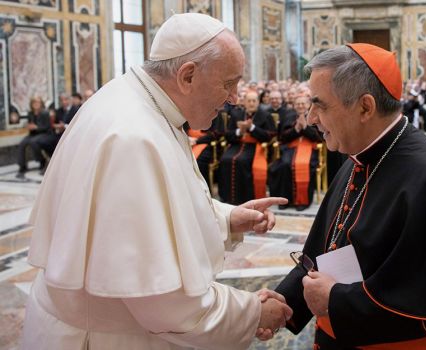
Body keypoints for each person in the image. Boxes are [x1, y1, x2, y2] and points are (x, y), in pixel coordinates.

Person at [22, 13, 292, 350]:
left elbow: (159, 206)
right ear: (188, 75)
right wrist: (252, 312)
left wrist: (226, 219)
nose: (234, 98)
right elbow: (165, 303)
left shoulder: (139, 103)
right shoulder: (133, 136)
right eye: (228, 83)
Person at [265, 44, 426, 349]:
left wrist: (336, 299)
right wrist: (283, 301)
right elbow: (328, 250)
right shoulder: (358, 156)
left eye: (320, 105)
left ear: (365, 107)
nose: (311, 117)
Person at [218, 91, 275, 204]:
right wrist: (240, 131)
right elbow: (228, 135)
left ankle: (244, 197)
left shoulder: (265, 115)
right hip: (237, 144)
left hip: (255, 146)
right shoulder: (236, 114)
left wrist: (252, 128)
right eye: (249, 101)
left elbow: (270, 136)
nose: (251, 103)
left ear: (258, 102)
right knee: (225, 160)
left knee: (241, 161)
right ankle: (227, 197)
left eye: (254, 101)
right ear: (244, 102)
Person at [269, 94, 322, 211]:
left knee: (304, 165)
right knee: (284, 165)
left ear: (309, 105)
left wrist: (305, 128)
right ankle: (285, 200)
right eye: (298, 104)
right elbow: (282, 137)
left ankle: (302, 201)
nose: (301, 106)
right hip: (290, 149)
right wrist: (296, 129)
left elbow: (319, 138)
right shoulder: (288, 116)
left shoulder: (316, 116)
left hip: (309, 149)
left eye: (303, 103)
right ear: (294, 106)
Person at [16, 96, 52, 178]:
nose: (36, 104)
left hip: (44, 133)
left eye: (38, 102)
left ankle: (42, 160)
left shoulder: (45, 113)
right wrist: (29, 127)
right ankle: (22, 165)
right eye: (34, 103)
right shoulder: (30, 113)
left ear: (41, 103)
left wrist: (37, 127)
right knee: (22, 143)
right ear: (31, 104)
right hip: (33, 134)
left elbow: (47, 127)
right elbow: (31, 125)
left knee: (33, 142)